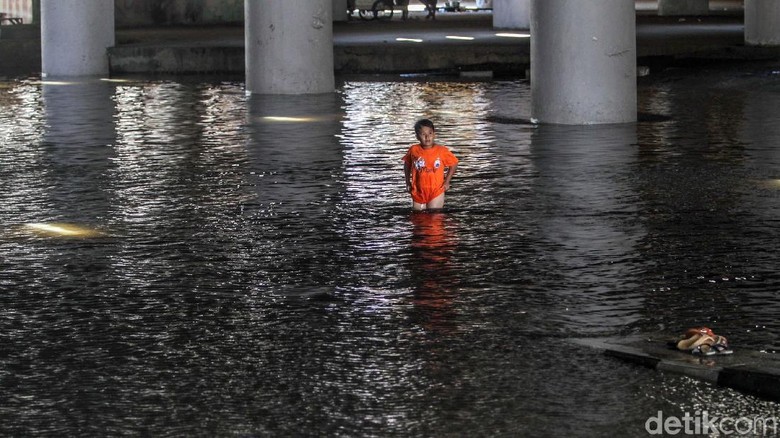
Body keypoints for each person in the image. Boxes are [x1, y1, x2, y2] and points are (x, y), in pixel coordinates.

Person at [403, 119, 458, 211]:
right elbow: (407, 164)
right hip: (418, 190)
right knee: (418, 217)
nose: (427, 137)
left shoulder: (441, 150)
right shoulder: (414, 150)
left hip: (436, 190)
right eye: (423, 134)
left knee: (434, 216)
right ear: (417, 137)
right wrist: (408, 182)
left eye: (430, 133)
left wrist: (447, 182)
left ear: (434, 134)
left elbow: (454, 163)